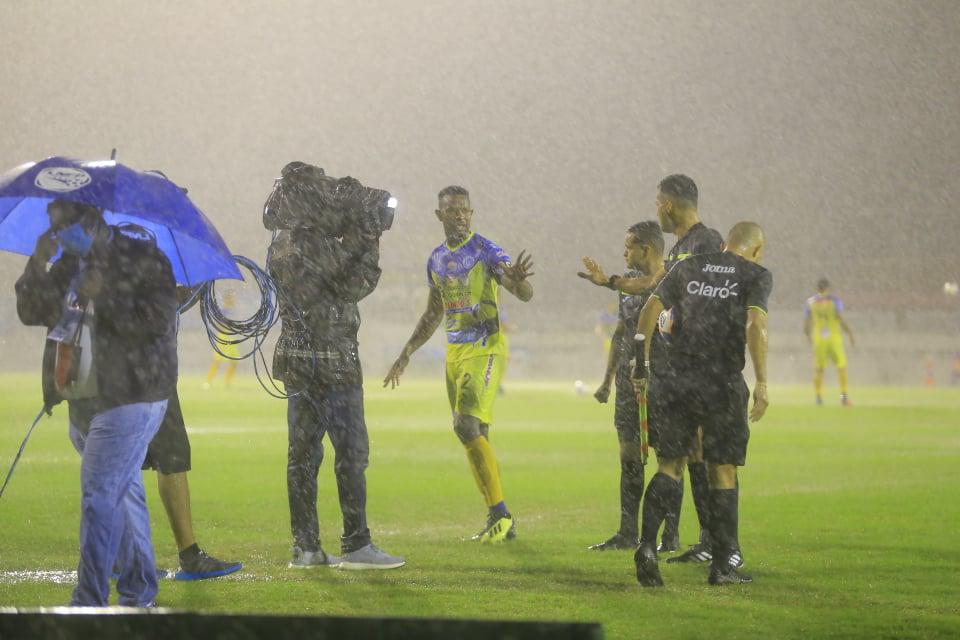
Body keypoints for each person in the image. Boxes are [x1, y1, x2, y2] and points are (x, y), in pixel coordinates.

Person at [15, 199, 178, 606]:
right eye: (53, 229)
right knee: (122, 496)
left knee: (99, 496)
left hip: (131, 396)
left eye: (62, 228)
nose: (57, 236)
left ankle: (88, 601)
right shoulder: (70, 262)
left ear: (89, 223)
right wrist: (37, 263)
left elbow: (157, 321)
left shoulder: (141, 256)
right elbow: (32, 311)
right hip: (83, 400)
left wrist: (103, 296)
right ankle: (139, 592)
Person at [579, 174, 723, 562]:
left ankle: (696, 540)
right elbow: (642, 303)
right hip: (649, 372)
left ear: (669, 205)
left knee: (688, 453)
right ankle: (638, 534)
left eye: (658, 201)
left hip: (679, 370)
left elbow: (669, 290)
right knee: (654, 453)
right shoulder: (676, 252)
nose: (656, 207)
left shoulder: (700, 246)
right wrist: (611, 377)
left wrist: (608, 281)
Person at [267, 162, 404, 570]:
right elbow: (354, 285)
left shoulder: (283, 242)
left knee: (302, 456)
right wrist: (368, 237)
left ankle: (306, 547)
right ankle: (356, 543)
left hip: (298, 363)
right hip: (332, 363)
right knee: (351, 453)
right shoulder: (310, 242)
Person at [384, 185, 534, 543]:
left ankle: (501, 514)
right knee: (477, 433)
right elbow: (433, 312)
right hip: (455, 353)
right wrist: (407, 351)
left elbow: (523, 292)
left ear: (471, 213)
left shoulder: (486, 250)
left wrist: (517, 283)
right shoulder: (436, 260)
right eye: (452, 210)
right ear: (440, 215)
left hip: (485, 347)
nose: (460, 216)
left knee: (464, 425)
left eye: (465, 210)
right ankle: (499, 519)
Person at [632, 221, 771, 586]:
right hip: (721, 383)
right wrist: (762, 381)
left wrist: (641, 361)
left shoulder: (688, 265)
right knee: (722, 471)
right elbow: (755, 326)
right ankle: (722, 566)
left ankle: (646, 546)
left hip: (678, 380)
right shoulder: (755, 275)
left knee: (669, 467)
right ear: (756, 250)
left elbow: (651, 309)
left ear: (726, 243)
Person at [589, 222, 667, 551]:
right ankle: (627, 532)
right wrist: (607, 381)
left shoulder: (670, 277)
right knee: (628, 453)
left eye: (628, 247)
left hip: (662, 377)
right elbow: (621, 332)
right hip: (626, 379)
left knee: (669, 458)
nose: (624, 253)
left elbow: (650, 286)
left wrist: (607, 280)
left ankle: (670, 536)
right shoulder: (627, 283)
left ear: (645, 249)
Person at [804, 278, 855, 406]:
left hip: (819, 339)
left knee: (819, 369)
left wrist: (808, 336)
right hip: (834, 338)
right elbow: (840, 318)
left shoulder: (810, 302)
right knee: (841, 367)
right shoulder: (835, 301)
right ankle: (843, 397)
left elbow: (807, 323)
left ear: (817, 288)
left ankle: (818, 397)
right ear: (828, 288)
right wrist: (850, 333)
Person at [203, 289, 240, 389]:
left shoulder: (232, 311)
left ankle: (227, 382)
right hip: (224, 336)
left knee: (235, 361)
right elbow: (220, 325)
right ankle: (208, 381)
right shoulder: (224, 311)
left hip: (232, 337)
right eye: (231, 298)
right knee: (217, 360)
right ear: (227, 299)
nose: (234, 300)